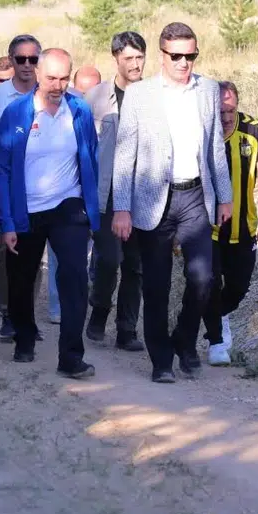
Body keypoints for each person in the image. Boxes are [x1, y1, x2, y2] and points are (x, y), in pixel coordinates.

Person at [111, 22, 232, 384]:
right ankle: (161, 360)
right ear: (162, 55)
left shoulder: (207, 89)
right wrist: (122, 207)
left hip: (195, 196)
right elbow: (125, 154)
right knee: (156, 286)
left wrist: (225, 196)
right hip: (153, 199)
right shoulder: (140, 94)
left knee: (204, 278)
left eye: (190, 55)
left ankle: (184, 338)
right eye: (176, 56)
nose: (184, 63)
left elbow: (215, 146)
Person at [0, 49, 100, 378]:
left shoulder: (79, 110)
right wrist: (7, 222)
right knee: (21, 280)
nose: (58, 85)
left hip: (68, 206)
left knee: (75, 277)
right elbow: (2, 170)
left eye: (64, 78)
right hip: (26, 209)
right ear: (38, 75)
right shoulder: (16, 113)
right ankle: (24, 337)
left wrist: (90, 211)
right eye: (51, 78)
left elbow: (90, 157)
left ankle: (71, 356)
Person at [203, 81, 258, 366]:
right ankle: (216, 343)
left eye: (230, 110)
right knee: (209, 282)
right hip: (206, 226)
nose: (225, 117)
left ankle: (216, 315)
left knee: (238, 288)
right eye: (220, 111)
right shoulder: (200, 129)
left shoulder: (253, 131)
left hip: (243, 226)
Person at [0, 36, 50, 339]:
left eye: (33, 59)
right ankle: (9, 312)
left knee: (34, 255)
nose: (27, 65)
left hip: (41, 186)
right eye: (20, 59)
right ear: (10, 60)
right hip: (7, 183)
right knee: (6, 249)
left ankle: (26, 315)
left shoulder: (51, 94)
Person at [84, 31, 146, 352]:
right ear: (116, 59)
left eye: (140, 57)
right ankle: (99, 311)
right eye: (128, 58)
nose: (135, 64)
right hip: (105, 192)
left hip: (142, 194)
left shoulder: (154, 97)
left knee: (135, 265)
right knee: (109, 259)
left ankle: (127, 330)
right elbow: (81, 146)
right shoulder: (95, 98)